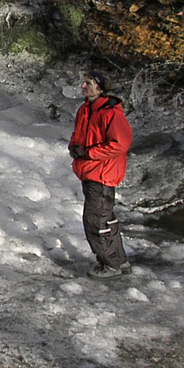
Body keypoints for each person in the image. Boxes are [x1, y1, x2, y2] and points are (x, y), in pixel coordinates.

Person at [68, 69, 133, 280]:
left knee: (96, 221)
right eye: (83, 82)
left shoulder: (111, 113)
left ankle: (110, 264)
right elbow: (78, 134)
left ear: (100, 87)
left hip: (102, 175)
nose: (83, 86)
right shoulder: (85, 109)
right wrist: (74, 147)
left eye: (88, 83)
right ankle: (119, 260)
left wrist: (89, 153)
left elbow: (120, 144)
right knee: (105, 218)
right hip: (90, 173)